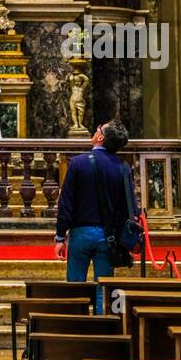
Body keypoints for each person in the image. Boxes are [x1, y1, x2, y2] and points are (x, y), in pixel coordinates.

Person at [54, 120, 139, 310]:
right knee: (105, 291)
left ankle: (78, 329)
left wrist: (60, 236)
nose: (95, 129)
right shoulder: (123, 167)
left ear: (100, 138)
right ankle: (103, 331)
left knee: (76, 289)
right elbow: (130, 206)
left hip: (81, 233)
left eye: (99, 128)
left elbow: (66, 203)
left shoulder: (77, 163)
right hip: (108, 236)